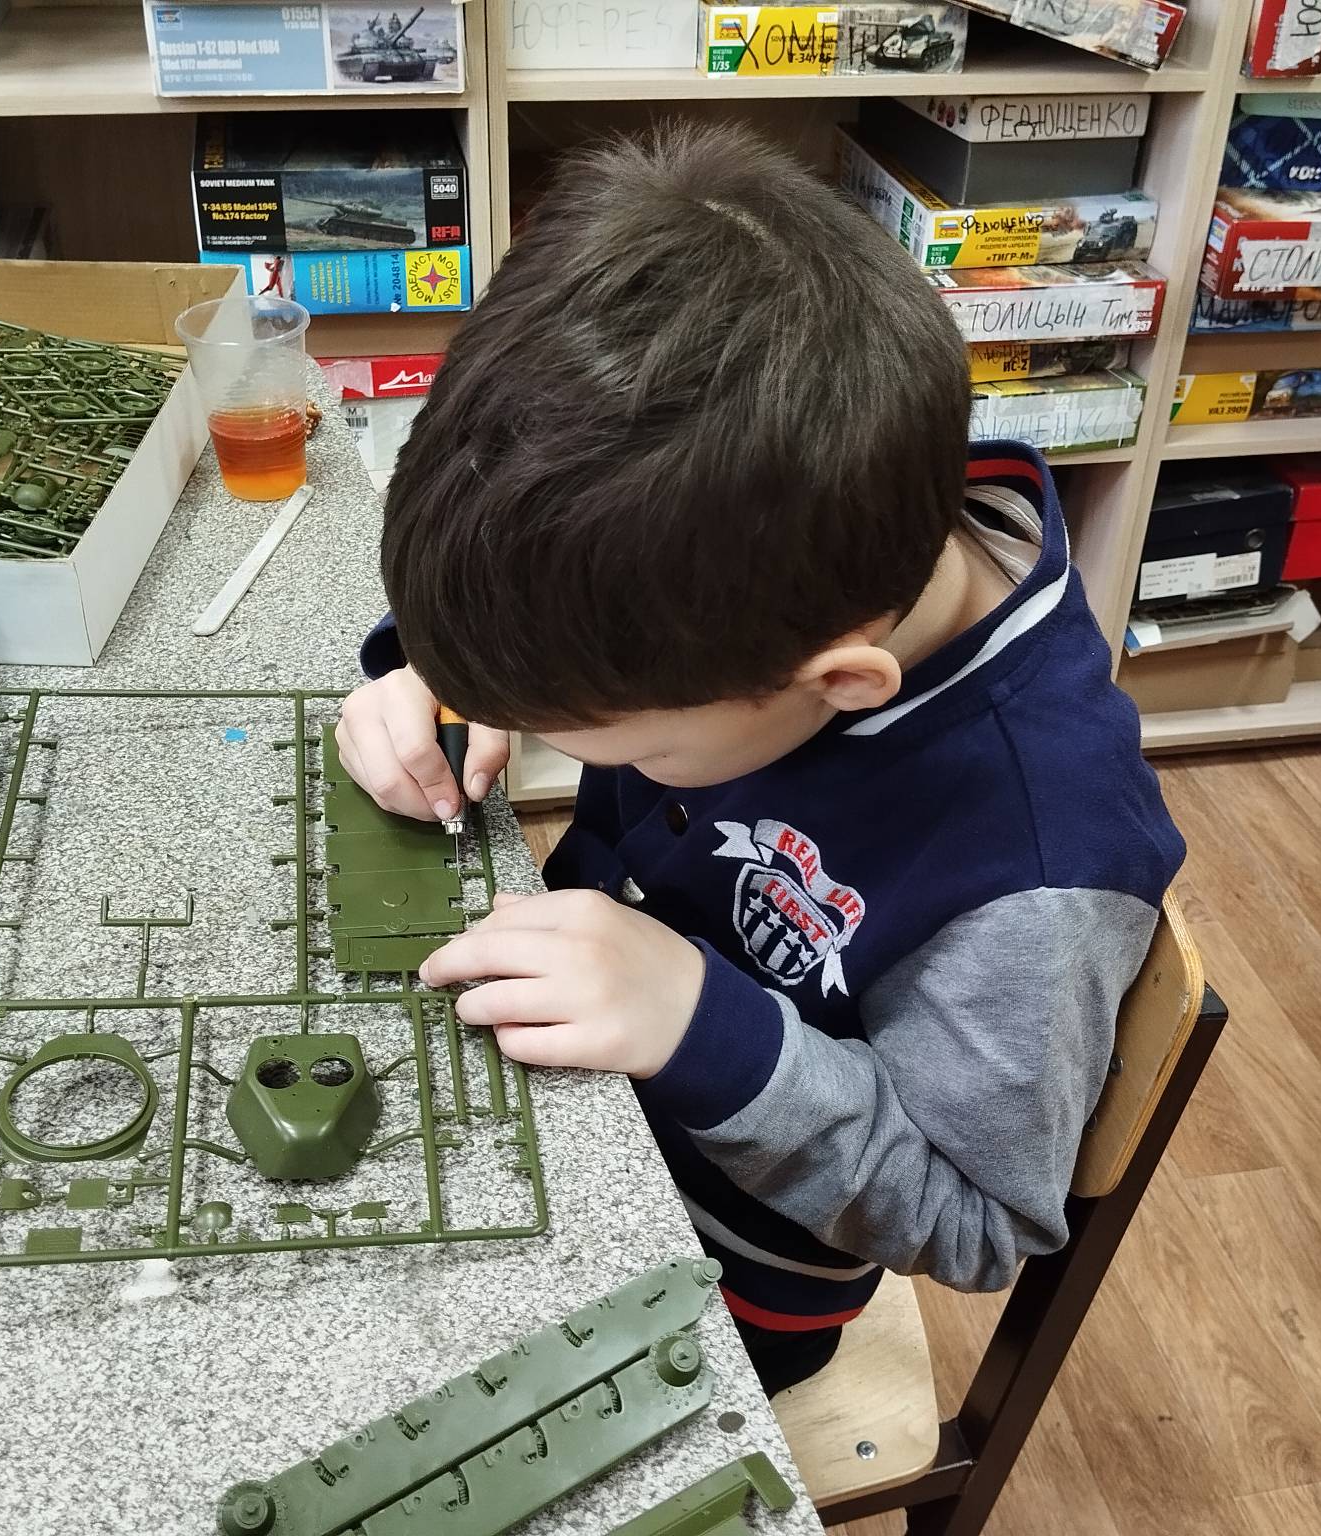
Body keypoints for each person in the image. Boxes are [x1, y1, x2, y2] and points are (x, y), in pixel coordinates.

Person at [335, 121, 1184, 1393]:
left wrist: (702, 1027)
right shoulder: (775, 536)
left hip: (712, 1285)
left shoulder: (1035, 871)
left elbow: (973, 1222)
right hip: (571, 1088)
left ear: (839, 683)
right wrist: (440, 676)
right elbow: (575, 561)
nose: (559, 743)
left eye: (605, 736)